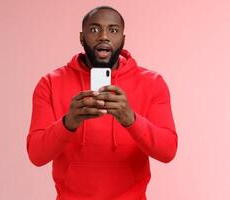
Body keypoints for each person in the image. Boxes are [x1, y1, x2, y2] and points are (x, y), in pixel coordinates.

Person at [27, 6, 178, 200]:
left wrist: (131, 120)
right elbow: (37, 155)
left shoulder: (152, 83)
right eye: (94, 29)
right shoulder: (49, 83)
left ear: (123, 39)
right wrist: (68, 123)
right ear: (81, 38)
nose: (103, 36)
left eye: (113, 30)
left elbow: (167, 152)